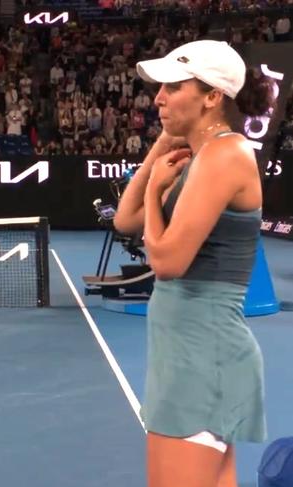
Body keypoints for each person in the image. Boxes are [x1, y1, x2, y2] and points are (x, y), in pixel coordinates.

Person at [114, 40, 274, 487]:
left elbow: (166, 262)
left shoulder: (225, 155)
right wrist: (161, 147)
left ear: (212, 97)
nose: (159, 97)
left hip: (204, 358)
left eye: (174, 86)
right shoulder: (200, 157)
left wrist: (153, 192)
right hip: (187, 355)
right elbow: (127, 222)